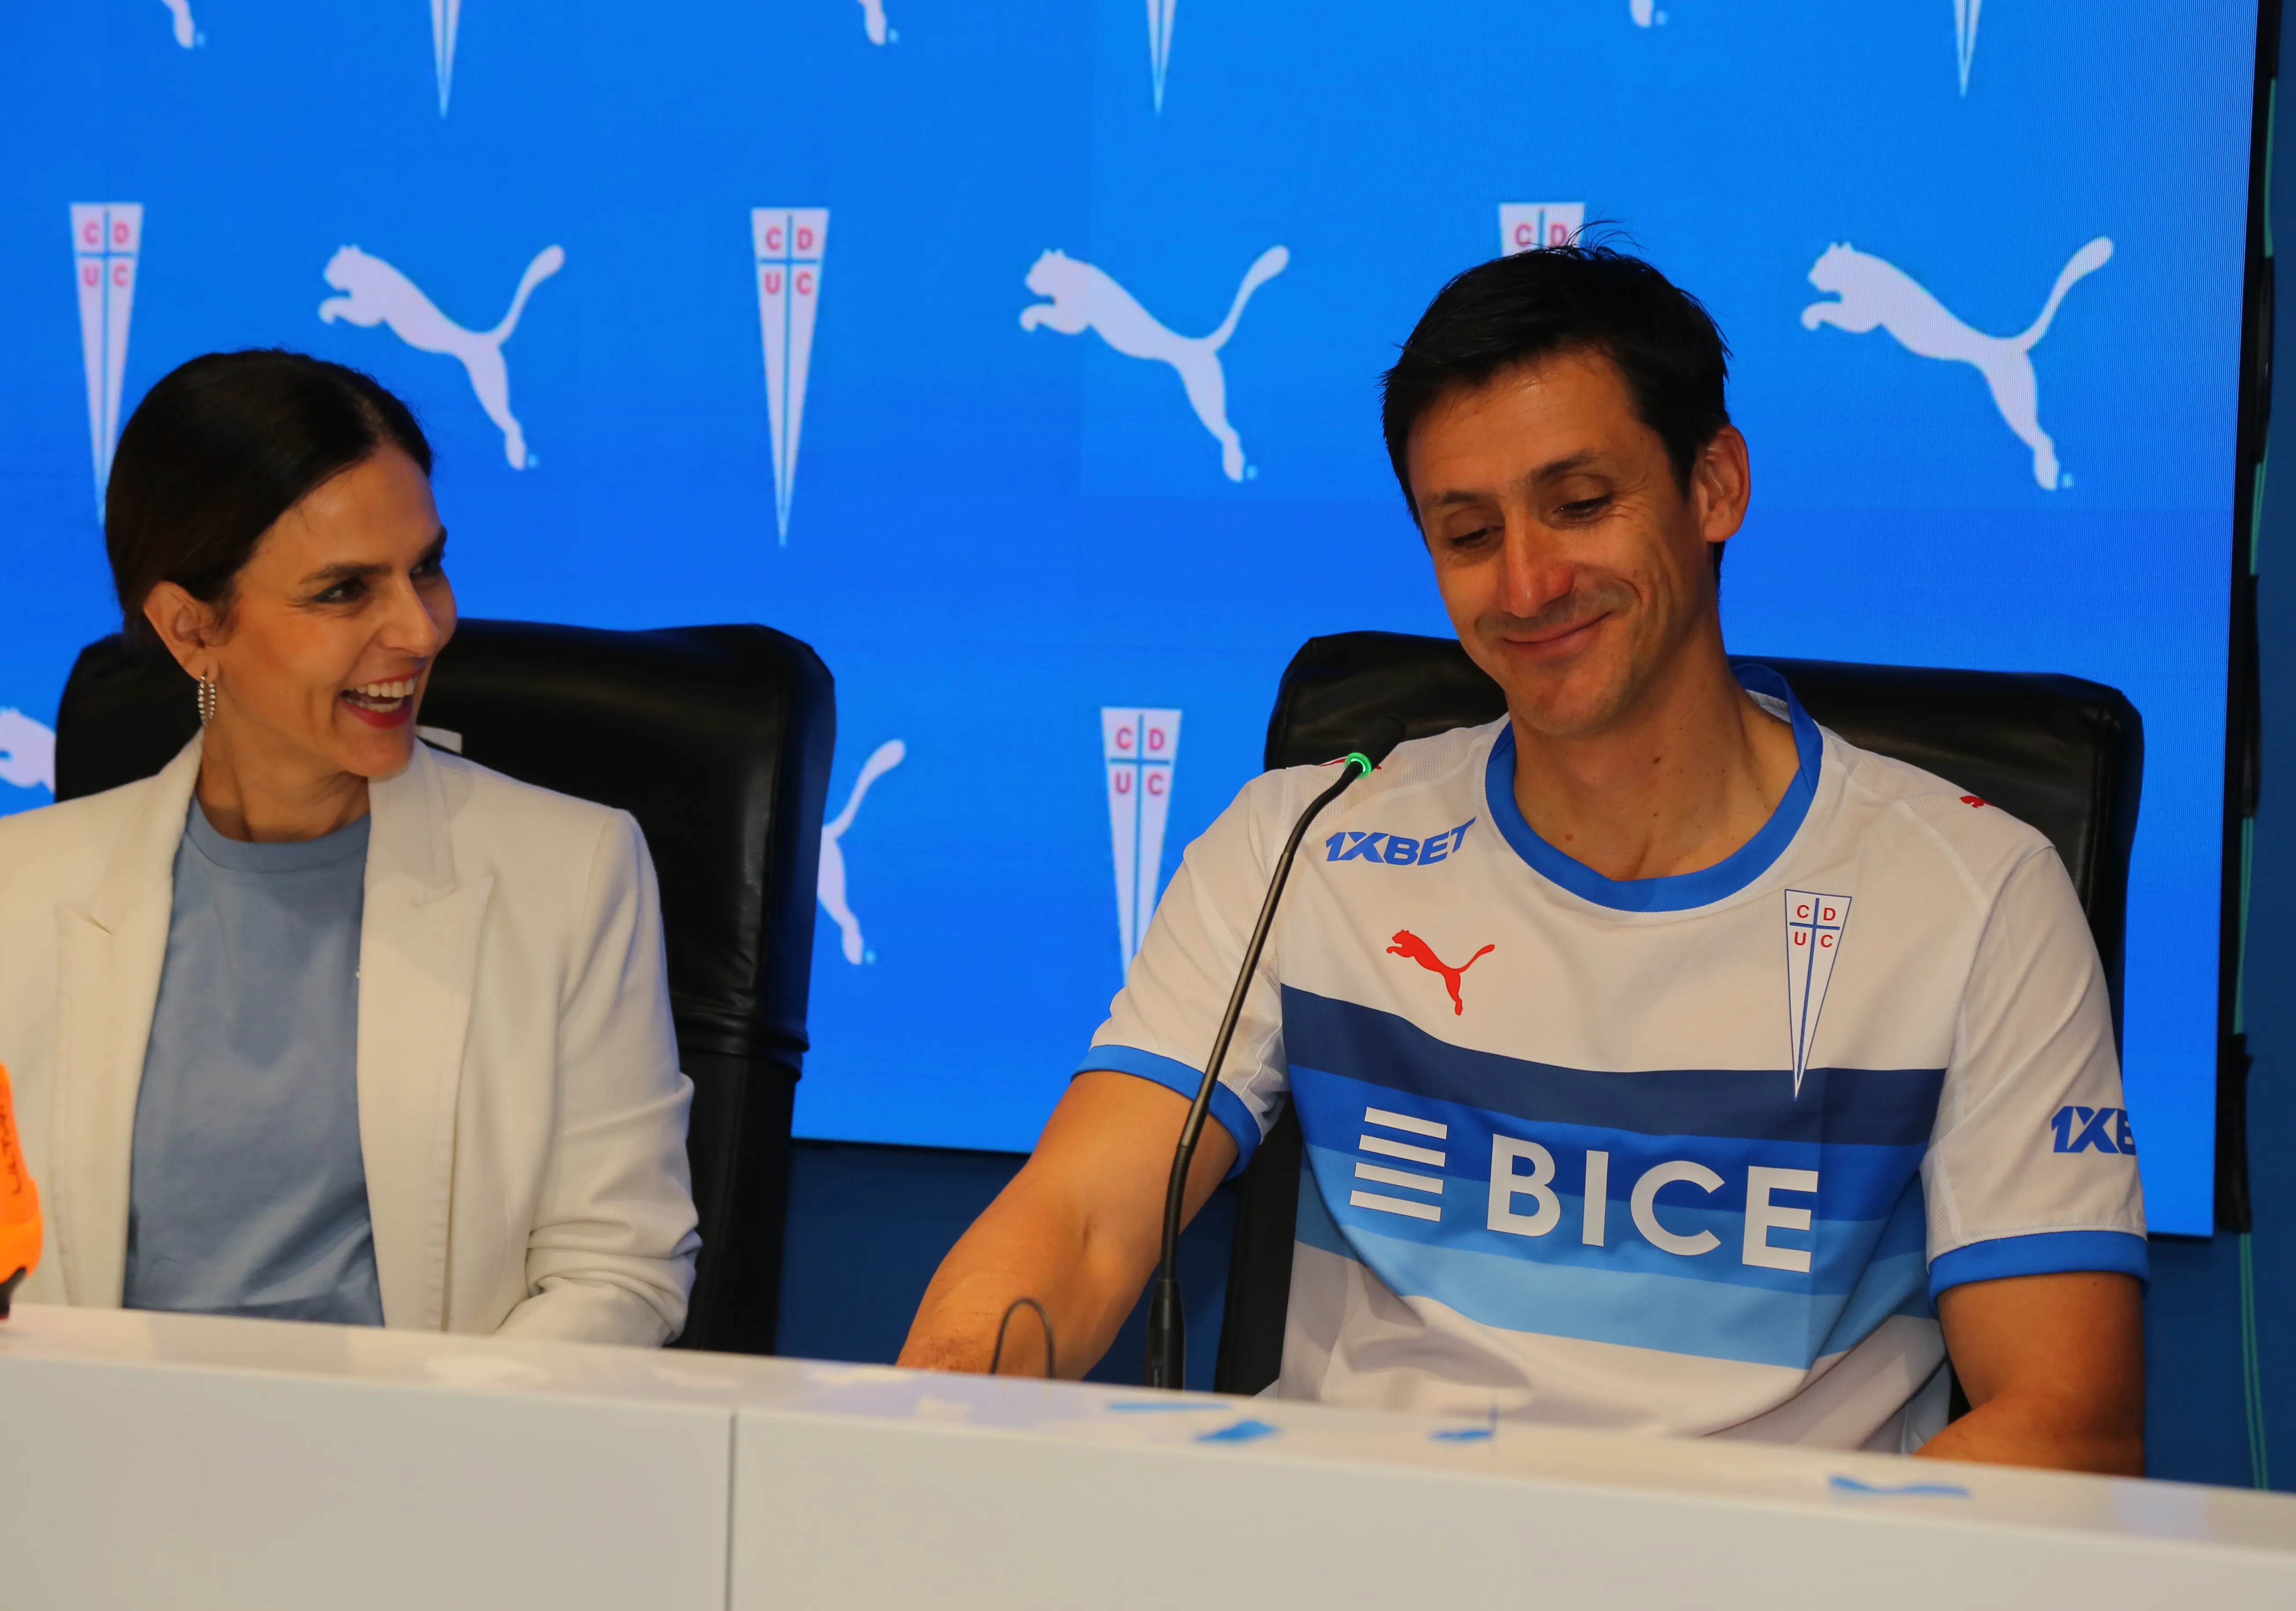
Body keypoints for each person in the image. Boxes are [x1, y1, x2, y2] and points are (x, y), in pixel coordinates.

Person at [901, 245, 2146, 1472]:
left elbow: (2064, 1421)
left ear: (1715, 486)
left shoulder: (1976, 892)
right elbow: (1078, 1227)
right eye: (1468, 531)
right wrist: (920, 1447)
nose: (1531, 581)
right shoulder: (1302, 842)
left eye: (1581, 504)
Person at [0, 350, 697, 1344]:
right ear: (189, 629)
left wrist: (416, 1466)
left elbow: (621, 1273)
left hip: (434, 1469)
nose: (421, 629)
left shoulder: (573, 873)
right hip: (101, 1471)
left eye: (425, 567)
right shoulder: (21, 886)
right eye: (345, 591)